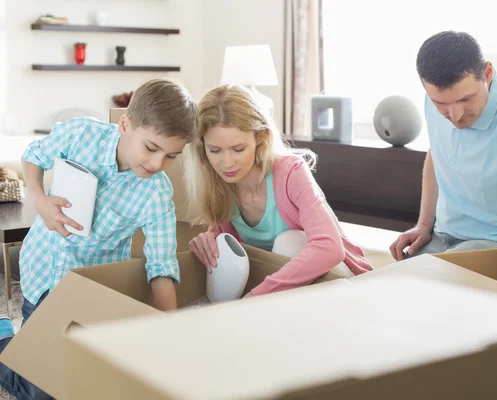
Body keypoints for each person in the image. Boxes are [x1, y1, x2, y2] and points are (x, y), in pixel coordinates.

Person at [0, 78, 198, 399]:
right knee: (43, 390)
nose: (157, 164)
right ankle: (5, 341)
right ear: (125, 124)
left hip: (90, 295)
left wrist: (167, 331)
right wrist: (38, 198)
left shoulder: (157, 194)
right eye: (151, 147)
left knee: (92, 384)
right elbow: (34, 156)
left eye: (171, 156)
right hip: (42, 274)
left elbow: (161, 265)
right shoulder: (80, 133)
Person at [389, 31, 497, 292]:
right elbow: (437, 154)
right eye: (441, 103)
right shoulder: (435, 101)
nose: (454, 115)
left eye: (465, 99)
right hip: (443, 236)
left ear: (488, 74)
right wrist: (424, 225)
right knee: (388, 287)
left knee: (431, 295)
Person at [186, 84, 373, 297]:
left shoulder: (290, 173)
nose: (227, 163)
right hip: (280, 290)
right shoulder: (218, 183)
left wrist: (259, 295)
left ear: (260, 138)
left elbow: (330, 247)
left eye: (238, 149)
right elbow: (230, 248)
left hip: (338, 279)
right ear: (203, 148)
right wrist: (208, 240)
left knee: (289, 241)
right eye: (215, 150)